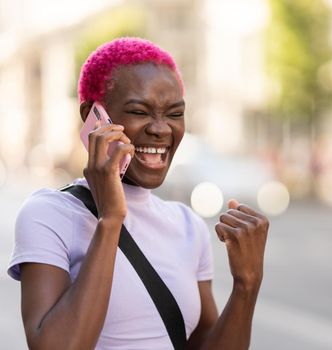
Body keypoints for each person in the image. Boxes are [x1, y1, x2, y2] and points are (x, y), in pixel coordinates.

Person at [7, 37, 269, 349]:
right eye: (139, 111)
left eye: (174, 113)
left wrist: (247, 284)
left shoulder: (188, 225)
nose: (161, 129)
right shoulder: (49, 214)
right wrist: (110, 219)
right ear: (94, 117)